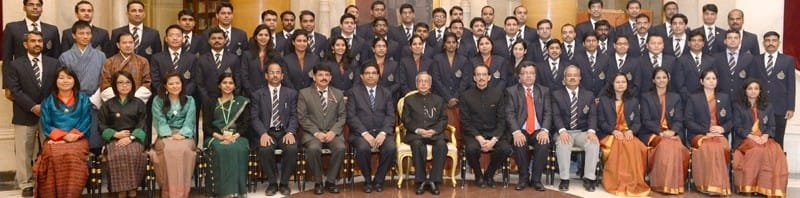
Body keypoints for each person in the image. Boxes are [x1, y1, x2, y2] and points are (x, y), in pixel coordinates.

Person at [6, 31, 61, 196]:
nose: (37, 44)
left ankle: (47, 180)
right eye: (33, 41)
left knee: (50, 149)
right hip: (24, 113)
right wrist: (32, 106)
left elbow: (58, 87)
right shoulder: (15, 65)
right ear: (25, 44)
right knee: (24, 151)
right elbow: (15, 90)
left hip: (48, 112)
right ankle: (26, 184)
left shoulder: (54, 63)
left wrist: (44, 106)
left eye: (39, 41)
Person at [33, 67, 91, 197]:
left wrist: (74, 136)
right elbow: (46, 125)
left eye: (69, 78)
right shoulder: (48, 101)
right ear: (55, 81)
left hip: (78, 139)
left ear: (74, 81)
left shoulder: (83, 99)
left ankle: (71, 194)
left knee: (72, 155)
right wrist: (63, 136)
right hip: (54, 139)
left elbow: (86, 121)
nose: (65, 81)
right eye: (61, 77)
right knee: (53, 155)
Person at [732, 79, 788, 197]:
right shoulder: (738, 106)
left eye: (756, 88)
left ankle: (767, 188)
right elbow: (737, 127)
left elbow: (772, 126)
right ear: (745, 91)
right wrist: (752, 136)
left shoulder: (767, 106)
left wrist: (765, 136)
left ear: (760, 91)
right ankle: (751, 186)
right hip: (745, 139)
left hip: (763, 138)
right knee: (758, 150)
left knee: (776, 150)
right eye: (750, 88)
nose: (753, 91)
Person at [347, 64, 397, 193]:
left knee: (391, 148)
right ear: (362, 76)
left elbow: (391, 115)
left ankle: (379, 180)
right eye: (367, 73)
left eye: (374, 73)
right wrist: (365, 133)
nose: (370, 75)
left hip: (382, 132)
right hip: (360, 134)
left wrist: (383, 133)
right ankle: (368, 180)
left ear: (378, 76)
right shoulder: (354, 92)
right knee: (363, 148)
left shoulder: (386, 92)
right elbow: (351, 116)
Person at [597, 73, 650, 196]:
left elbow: (637, 121)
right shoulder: (604, 100)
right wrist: (613, 131)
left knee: (636, 146)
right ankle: (617, 181)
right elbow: (601, 122)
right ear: (612, 84)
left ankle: (634, 181)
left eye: (623, 82)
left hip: (628, 134)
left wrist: (631, 131)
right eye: (618, 82)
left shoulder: (633, 101)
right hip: (609, 134)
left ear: (627, 84)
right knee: (621, 145)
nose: (621, 85)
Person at [251, 62, 298, 196]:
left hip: (284, 131)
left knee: (292, 148)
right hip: (267, 131)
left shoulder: (291, 93)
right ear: (266, 76)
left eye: (278, 72)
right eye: (272, 72)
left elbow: (294, 115)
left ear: (282, 76)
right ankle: (272, 183)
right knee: (265, 149)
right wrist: (263, 133)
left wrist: (290, 132)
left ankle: (284, 183)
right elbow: (254, 117)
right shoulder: (258, 94)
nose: (275, 75)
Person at [459, 64, 511, 189]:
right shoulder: (466, 95)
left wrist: (494, 140)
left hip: (494, 132)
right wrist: (479, 138)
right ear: (474, 78)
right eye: (478, 75)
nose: (481, 77)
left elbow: (502, 120)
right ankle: (478, 175)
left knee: (505, 148)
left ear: (489, 77)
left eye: (484, 75)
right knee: (471, 149)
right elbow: (465, 121)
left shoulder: (498, 94)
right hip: (474, 133)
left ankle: (489, 174)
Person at [58, 21, 107, 151]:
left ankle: (95, 169)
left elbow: (105, 79)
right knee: (75, 137)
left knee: (94, 139)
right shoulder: (65, 57)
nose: (85, 36)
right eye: (81, 33)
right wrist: (73, 96)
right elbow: (63, 81)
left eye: (88, 33)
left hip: (94, 100)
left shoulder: (100, 56)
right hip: (73, 100)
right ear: (74, 35)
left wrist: (96, 97)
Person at [98, 70, 148, 198]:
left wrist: (131, 138)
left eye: (127, 82)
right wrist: (115, 134)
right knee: (118, 153)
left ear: (132, 85)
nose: (124, 85)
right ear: (114, 85)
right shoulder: (108, 104)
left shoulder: (139, 103)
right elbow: (101, 125)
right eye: (120, 82)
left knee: (134, 152)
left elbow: (143, 124)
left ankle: (133, 187)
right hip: (114, 139)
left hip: (134, 138)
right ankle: (121, 190)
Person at [298, 66, 346, 195]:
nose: (324, 77)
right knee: (313, 149)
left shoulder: (338, 93)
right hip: (312, 133)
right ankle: (318, 182)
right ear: (314, 77)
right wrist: (317, 133)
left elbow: (342, 117)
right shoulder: (304, 93)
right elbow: (302, 118)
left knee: (340, 148)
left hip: (332, 133)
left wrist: (333, 132)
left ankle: (330, 181)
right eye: (320, 75)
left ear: (330, 77)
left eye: (327, 75)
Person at [640, 68, 689, 194]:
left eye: (664, 77)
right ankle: (661, 183)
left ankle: (673, 183)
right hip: (652, 133)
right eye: (658, 78)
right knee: (666, 144)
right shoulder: (646, 97)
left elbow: (679, 119)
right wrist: (660, 132)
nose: (661, 80)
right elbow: (645, 120)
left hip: (672, 133)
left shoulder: (675, 97)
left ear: (668, 79)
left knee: (675, 145)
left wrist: (673, 132)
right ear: (653, 80)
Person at [149, 73, 198, 198]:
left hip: (184, 136)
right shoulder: (157, 100)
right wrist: (168, 135)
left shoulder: (190, 100)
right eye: (171, 83)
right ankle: (168, 192)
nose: (175, 86)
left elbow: (190, 120)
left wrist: (182, 134)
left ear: (182, 84)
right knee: (168, 150)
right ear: (165, 86)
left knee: (184, 150)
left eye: (177, 83)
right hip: (165, 135)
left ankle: (182, 192)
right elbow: (159, 120)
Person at [506, 62, 552, 191]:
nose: (528, 76)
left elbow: (548, 112)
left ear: (535, 75)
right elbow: (509, 114)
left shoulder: (544, 91)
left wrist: (545, 130)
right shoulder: (511, 91)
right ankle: (523, 178)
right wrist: (516, 132)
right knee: (519, 142)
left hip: (538, 130)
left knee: (544, 143)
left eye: (531, 73)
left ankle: (536, 180)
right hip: (521, 129)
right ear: (519, 76)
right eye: (525, 73)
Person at [202, 73, 250, 197]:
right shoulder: (210, 102)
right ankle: (220, 191)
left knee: (239, 148)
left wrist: (234, 136)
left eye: (230, 83)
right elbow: (206, 126)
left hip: (237, 136)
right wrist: (221, 137)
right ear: (219, 85)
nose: (227, 85)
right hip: (215, 136)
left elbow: (246, 124)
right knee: (221, 148)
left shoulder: (241, 102)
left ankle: (238, 191)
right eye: (224, 83)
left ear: (234, 86)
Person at [685, 69, 732, 195]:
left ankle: (718, 185)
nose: (711, 81)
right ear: (701, 81)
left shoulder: (724, 97)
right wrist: (706, 132)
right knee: (710, 147)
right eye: (708, 79)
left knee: (720, 146)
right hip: (699, 135)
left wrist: (722, 129)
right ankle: (706, 184)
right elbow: (688, 121)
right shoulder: (694, 98)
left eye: (714, 79)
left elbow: (730, 120)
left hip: (719, 134)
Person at [552, 66, 599, 192]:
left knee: (593, 143)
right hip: (563, 131)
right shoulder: (556, 95)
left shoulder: (588, 95)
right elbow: (555, 115)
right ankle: (564, 179)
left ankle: (589, 178)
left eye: (575, 75)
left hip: (582, 132)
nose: (572, 78)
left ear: (580, 78)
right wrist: (561, 131)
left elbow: (592, 115)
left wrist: (591, 131)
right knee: (563, 143)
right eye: (569, 75)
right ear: (564, 79)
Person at [3, 0, 60, 100]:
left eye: (38, 5)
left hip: (46, 82)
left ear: (41, 9)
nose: (35, 7)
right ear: (24, 8)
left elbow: (56, 56)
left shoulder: (52, 30)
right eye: (31, 4)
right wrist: (7, 85)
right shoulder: (12, 28)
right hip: (21, 81)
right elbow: (7, 58)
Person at [402, 72, 448, 195]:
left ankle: (434, 180)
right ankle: (421, 181)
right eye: (420, 81)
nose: (423, 84)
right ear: (416, 84)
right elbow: (406, 120)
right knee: (417, 145)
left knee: (441, 145)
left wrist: (434, 131)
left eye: (426, 81)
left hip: (434, 133)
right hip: (416, 134)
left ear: (430, 84)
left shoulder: (439, 100)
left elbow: (443, 119)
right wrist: (418, 130)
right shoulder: (409, 99)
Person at [752, 31, 795, 147]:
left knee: (778, 140)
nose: (771, 43)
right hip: (760, 106)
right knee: (760, 139)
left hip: (780, 107)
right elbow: (752, 83)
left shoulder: (788, 60)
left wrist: (791, 107)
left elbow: (791, 85)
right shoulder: (756, 60)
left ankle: (778, 165)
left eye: (774, 40)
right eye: (768, 40)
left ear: (779, 42)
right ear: (763, 43)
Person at [151, 25, 199, 103]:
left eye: (178, 35)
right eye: (171, 35)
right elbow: (155, 80)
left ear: (183, 39)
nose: (175, 38)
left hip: (186, 99)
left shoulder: (192, 58)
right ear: (166, 39)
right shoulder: (156, 58)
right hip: (164, 99)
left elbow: (194, 80)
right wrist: (167, 94)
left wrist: (182, 94)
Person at [100, 32, 152, 103]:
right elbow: (105, 84)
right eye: (124, 43)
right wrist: (118, 101)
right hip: (115, 103)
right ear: (118, 45)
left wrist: (134, 100)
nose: (128, 45)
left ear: (134, 44)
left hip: (136, 102)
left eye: (131, 42)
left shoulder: (143, 61)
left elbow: (147, 83)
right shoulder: (109, 62)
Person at [197, 28, 241, 103]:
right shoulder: (202, 59)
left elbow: (238, 80)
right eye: (213, 38)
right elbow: (199, 83)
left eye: (220, 38)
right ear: (209, 41)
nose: (217, 41)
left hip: (229, 100)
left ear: (225, 40)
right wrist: (206, 99)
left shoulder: (234, 58)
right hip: (209, 100)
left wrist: (233, 97)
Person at [715, 30, 755, 101]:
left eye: (736, 38)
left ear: (740, 41)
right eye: (729, 38)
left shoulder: (749, 58)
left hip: (742, 98)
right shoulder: (716, 58)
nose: (733, 40)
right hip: (721, 98)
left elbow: (751, 79)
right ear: (725, 41)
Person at [242, 24, 282, 95]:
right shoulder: (247, 55)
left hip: (270, 94)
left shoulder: (276, 55)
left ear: (270, 37)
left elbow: (278, 75)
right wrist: (252, 93)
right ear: (255, 37)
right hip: (250, 94)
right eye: (260, 35)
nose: (263, 37)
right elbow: (244, 76)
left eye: (266, 35)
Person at [679, 30, 716, 99]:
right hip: (687, 99)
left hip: (708, 99)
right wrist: (690, 98)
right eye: (693, 40)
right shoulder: (681, 60)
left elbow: (714, 81)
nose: (697, 43)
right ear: (689, 43)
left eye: (699, 40)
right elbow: (680, 85)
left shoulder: (711, 60)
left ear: (703, 43)